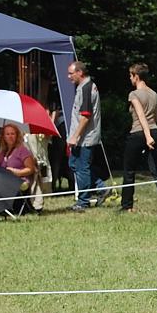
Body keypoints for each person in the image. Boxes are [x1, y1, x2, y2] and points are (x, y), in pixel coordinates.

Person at [120, 63, 157, 216]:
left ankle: (127, 206)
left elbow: (140, 115)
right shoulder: (154, 94)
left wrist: (147, 136)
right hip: (155, 131)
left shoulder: (134, 95)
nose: (130, 78)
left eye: (131, 75)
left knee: (129, 170)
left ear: (136, 76)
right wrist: (152, 134)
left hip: (139, 133)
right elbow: (155, 117)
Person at [66, 60, 108, 211]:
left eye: (71, 73)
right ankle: (101, 187)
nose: (69, 76)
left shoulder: (86, 88)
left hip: (85, 137)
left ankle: (83, 201)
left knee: (82, 167)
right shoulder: (84, 87)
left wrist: (74, 136)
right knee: (74, 164)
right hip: (82, 136)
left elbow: (85, 116)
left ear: (80, 73)